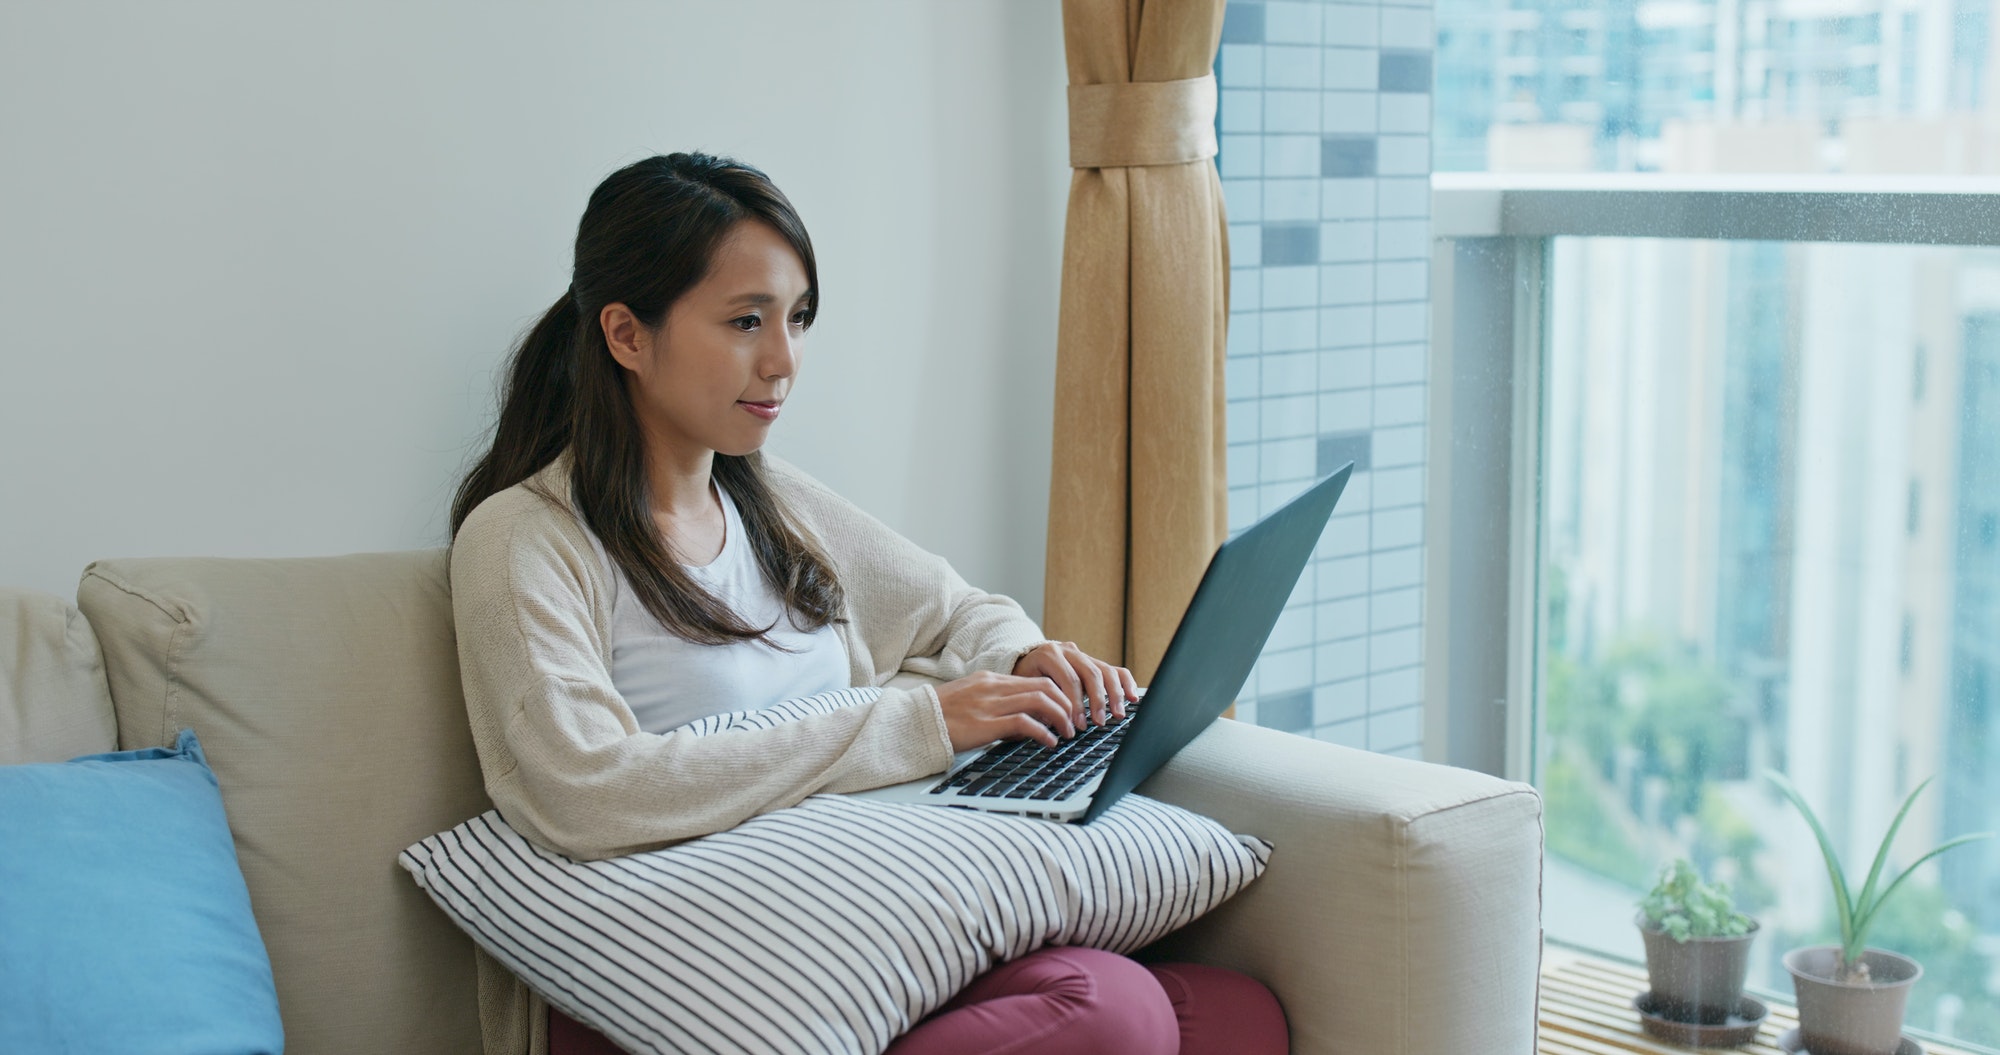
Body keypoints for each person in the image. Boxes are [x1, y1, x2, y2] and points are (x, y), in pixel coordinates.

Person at [448, 152, 1287, 1055]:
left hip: (850, 916)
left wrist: (1018, 658)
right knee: (1110, 1011)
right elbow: (583, 790)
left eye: (799, 319)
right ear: (626, 335)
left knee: (1236, 1013)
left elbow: (953, 610)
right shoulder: (523, 539)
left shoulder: (771, 502)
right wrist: (912, 724)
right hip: (688, 976)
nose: (782, 361)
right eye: (745, 321)